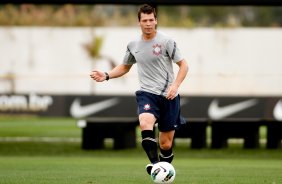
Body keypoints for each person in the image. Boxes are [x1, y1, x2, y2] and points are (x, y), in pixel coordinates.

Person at [90, 4, 188, 175]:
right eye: (145, 20)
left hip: (169, 96)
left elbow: (184, 66)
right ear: (139, 23)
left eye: (151, 20)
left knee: (165, 144)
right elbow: (124, 67)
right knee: (145, 122)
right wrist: (106, 75)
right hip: (147, 94)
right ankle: (156, 166)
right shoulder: (133, 45)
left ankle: (163, 169)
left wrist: (175, 85)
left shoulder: (167, 41)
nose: (148, 23)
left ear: (156, 20)